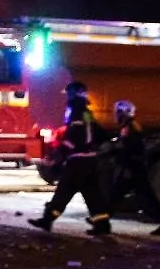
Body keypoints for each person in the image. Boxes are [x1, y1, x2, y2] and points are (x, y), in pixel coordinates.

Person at [28, 82, 111, 235]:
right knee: (93, 193)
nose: (67, 96)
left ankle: (47, 220)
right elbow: (98, 132)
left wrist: (58, 154)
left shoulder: (75, 111)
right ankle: (102, 224)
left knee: (64, 190)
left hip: (78, 161)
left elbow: (73, 136)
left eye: (69, 93)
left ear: (74, 94)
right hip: (90, 160)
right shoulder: (87, 112)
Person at [107, 100, 160, 236]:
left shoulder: (130, 127)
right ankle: (101, 220)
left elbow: (132, 148)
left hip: (134, 168)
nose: (115, 115)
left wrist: (125, 162)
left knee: (133, 196)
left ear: (123, 113)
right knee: (118, 195)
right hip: (133, 168)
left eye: (118, 112)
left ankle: (101, 221)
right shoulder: (128, 125)